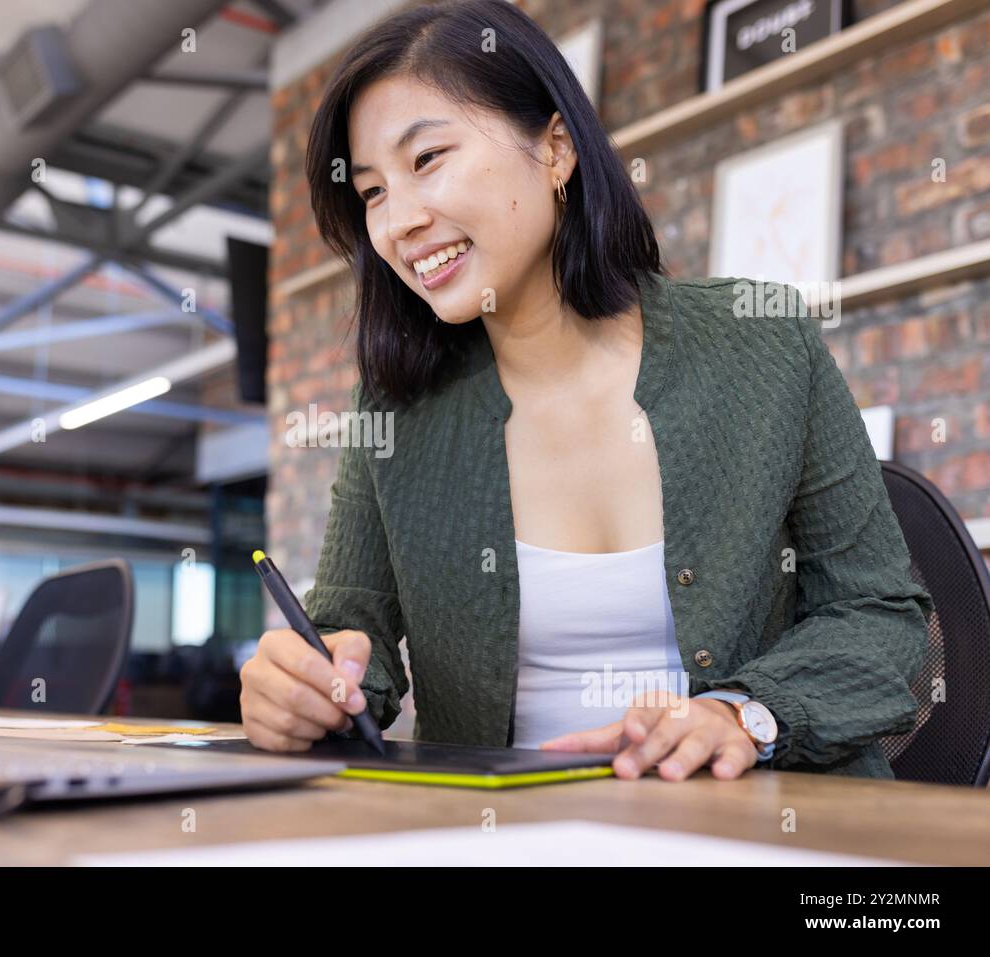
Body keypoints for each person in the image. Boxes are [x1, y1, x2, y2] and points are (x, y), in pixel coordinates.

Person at [239, 0, 932, 781]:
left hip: (755, 830)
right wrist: (308, 690)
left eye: (427, 159)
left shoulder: (764, 347)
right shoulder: (398, 409)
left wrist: (741, 712)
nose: (398, 221)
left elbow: (880, 615)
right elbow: (347, 640)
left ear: (557, 149)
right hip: (496, 837)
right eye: (370, 192)